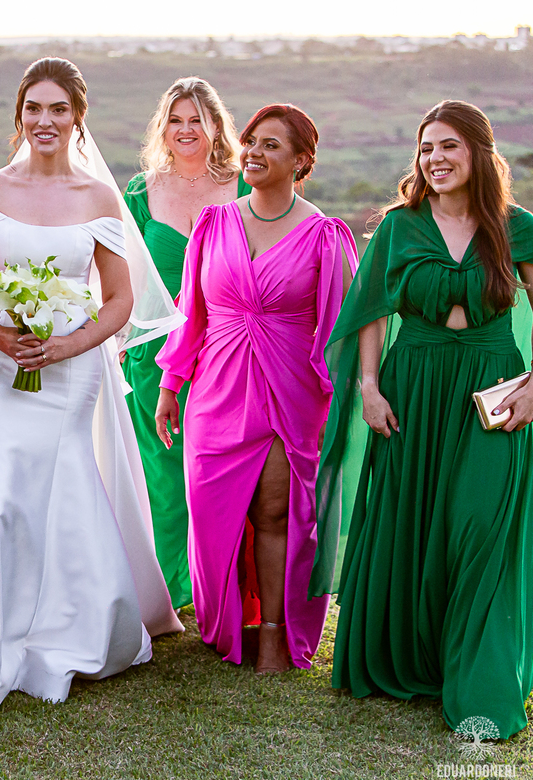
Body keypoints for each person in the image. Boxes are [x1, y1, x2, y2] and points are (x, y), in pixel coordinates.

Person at [0, 57, 184, 721]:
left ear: (78, 117)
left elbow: (119, 300)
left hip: (74, 368)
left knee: (63, 483)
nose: (46, 121)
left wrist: (70, 344)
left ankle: (68, 631)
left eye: (59, 109)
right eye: (34, 109)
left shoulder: (99, 198)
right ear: (19, 115)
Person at [313, 100, 533, 738]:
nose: (435, 159)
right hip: (414, 390)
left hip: (495, 393)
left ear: (479, 156)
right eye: (426, 148)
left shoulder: (515, 227)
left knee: (479, 525)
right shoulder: (399, 227)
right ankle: (421, 661)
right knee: (419, 520)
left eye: (450, 147)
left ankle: (482, 685)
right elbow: (372, 313)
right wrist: (370, 388)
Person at [154, 104, 356, 674]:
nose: (255, 153)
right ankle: (227, 626)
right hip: (215, 387)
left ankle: (271, 635)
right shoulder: (214, 225)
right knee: (214, 513)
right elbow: (190, 314)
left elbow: (340, 328)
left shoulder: (325, 236)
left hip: (286, 390)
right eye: (251, 142)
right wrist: (172, 384)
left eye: (271, 145)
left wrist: (343, 400)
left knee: (273, 513)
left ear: (301, 161)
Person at [121, 77, 247, 609]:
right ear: (163, 128)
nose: (187, 130)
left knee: (221, 477)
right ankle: (165, 595)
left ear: (216, 126)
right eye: (177, 120)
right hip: (154, 356)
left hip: (227, 356)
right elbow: (120, 275)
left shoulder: (246, 187)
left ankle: (221, 590)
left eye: (197, 119)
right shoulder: (139, 192)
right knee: (165, 482)